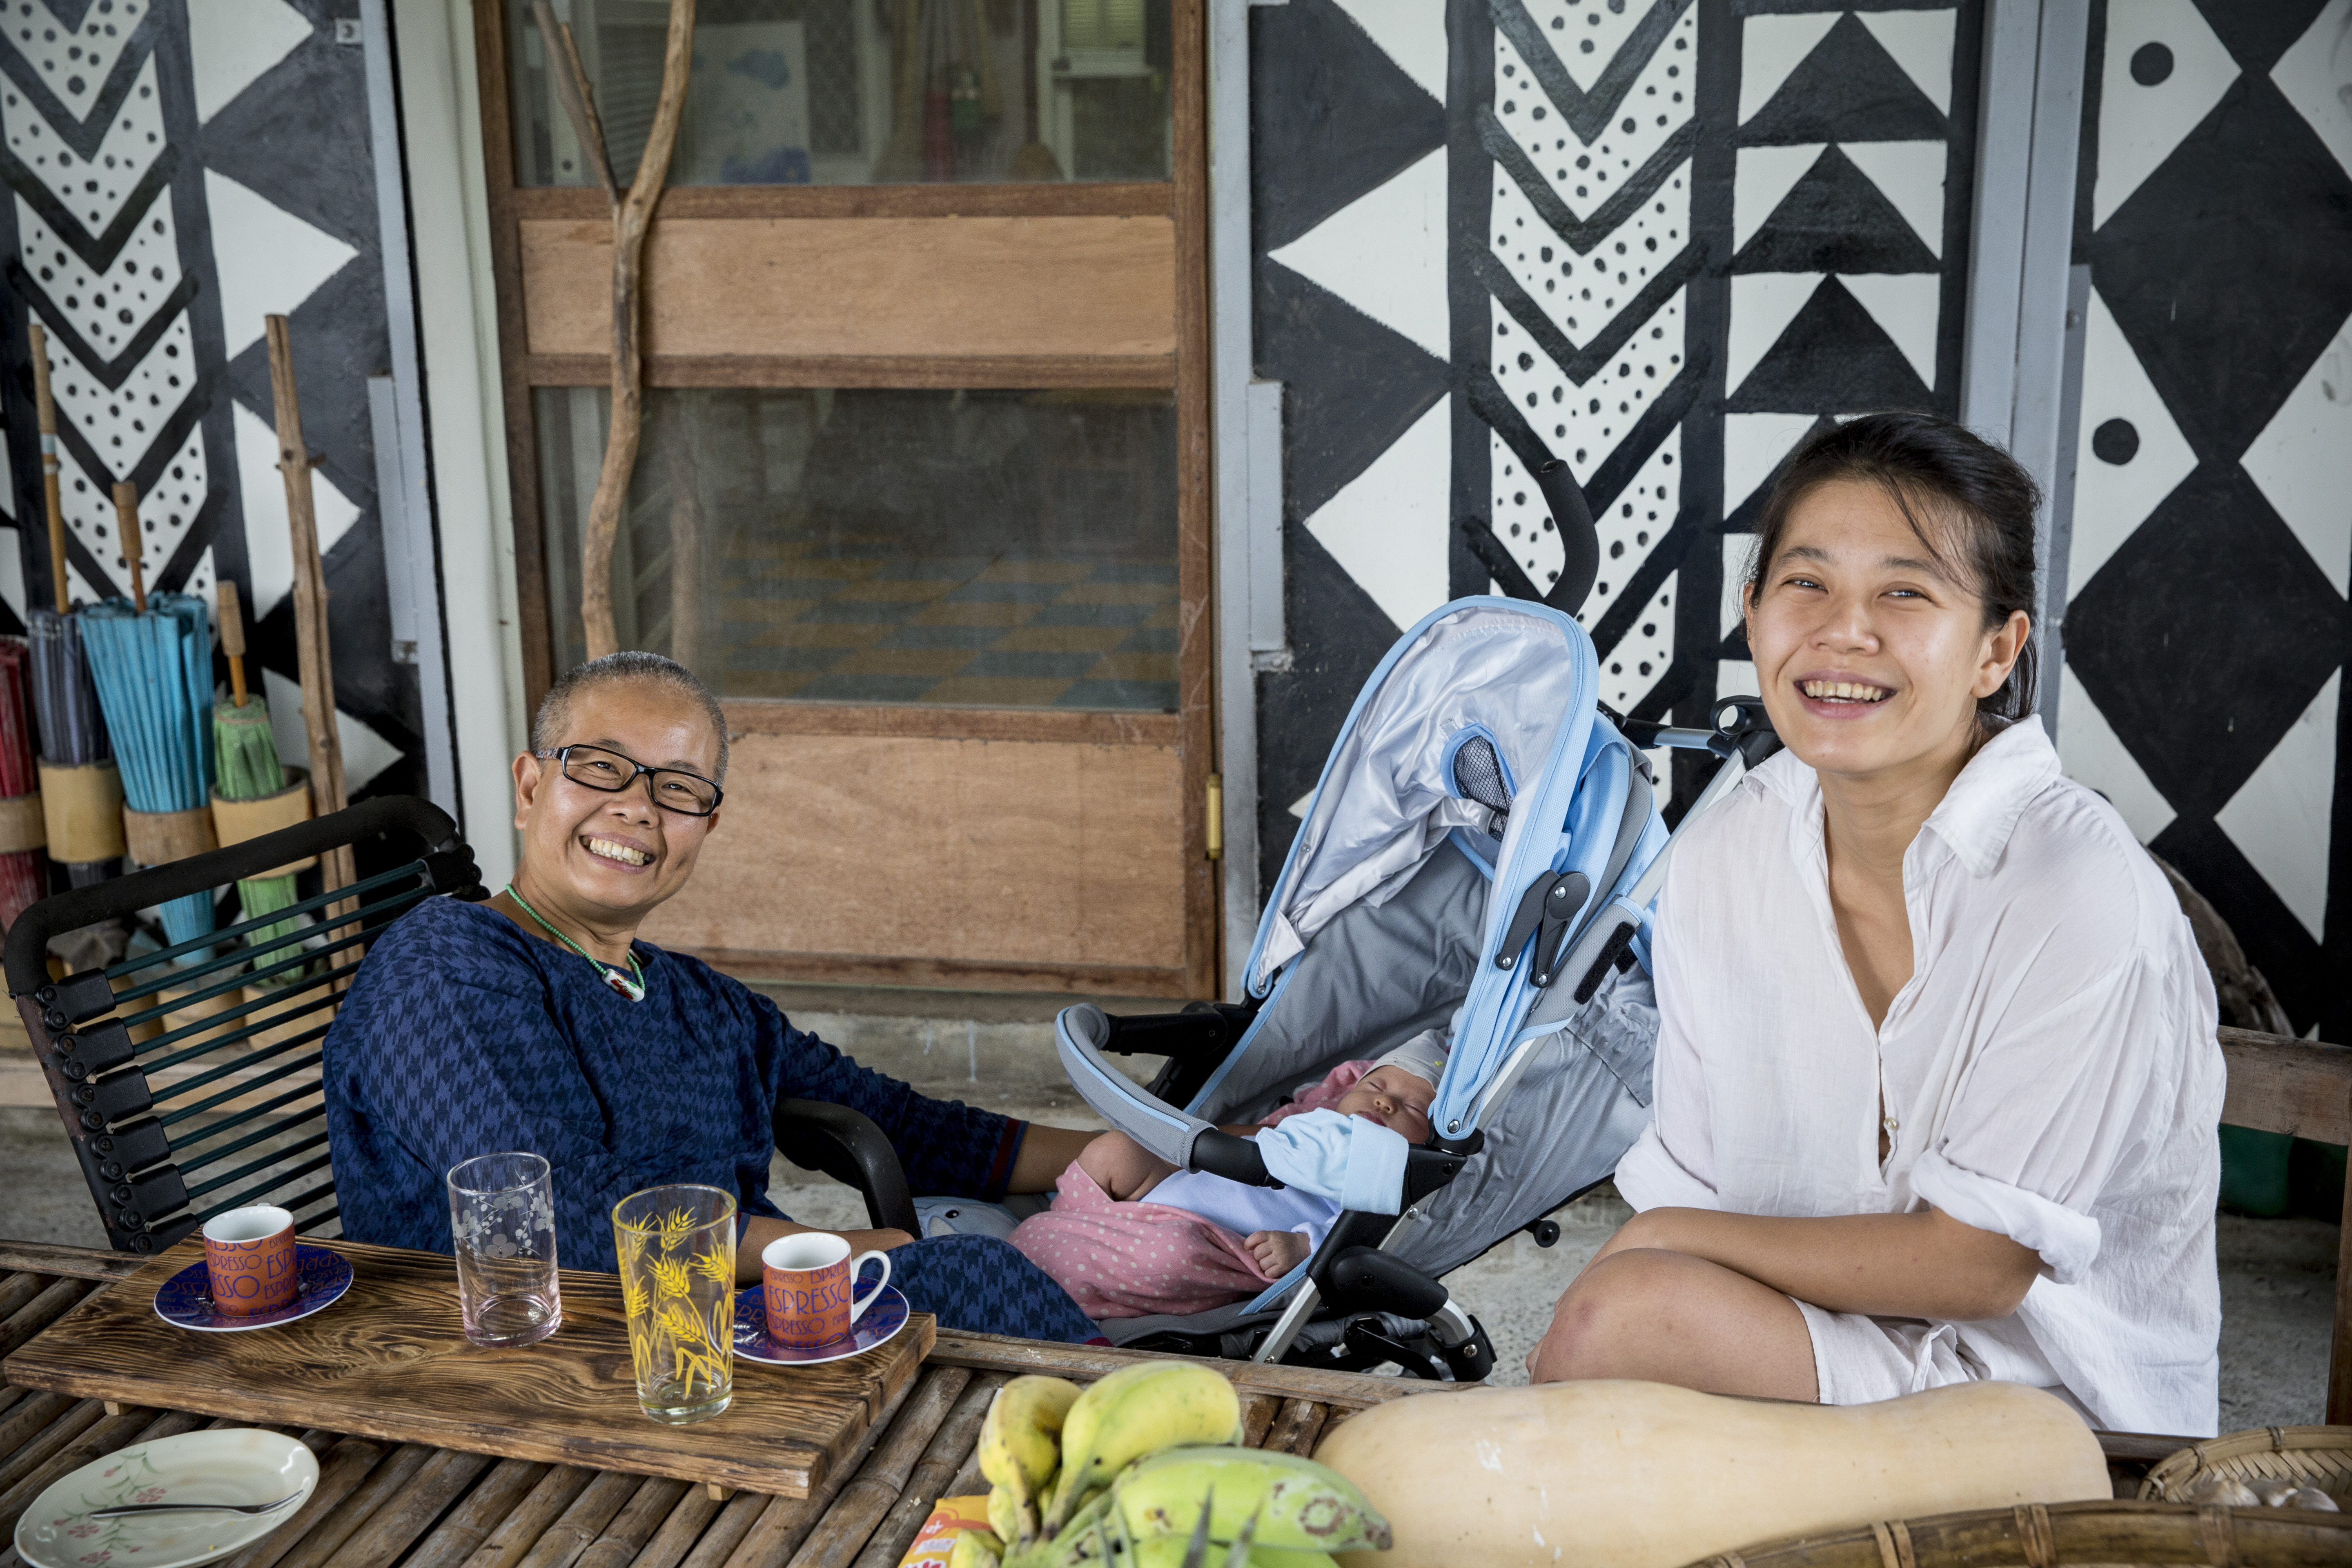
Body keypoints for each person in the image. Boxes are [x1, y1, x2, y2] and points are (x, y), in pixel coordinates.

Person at [1527, 412, 2223, 1437]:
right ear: (1753, 613)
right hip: (1816, 1347)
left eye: (1904, 592)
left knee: (1618, 1321)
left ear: (1995, 650)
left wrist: (1668, 1242)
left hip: (2059, 1411)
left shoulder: (2073, 883)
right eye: (1805, 583)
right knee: (1616, 1330)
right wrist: (1670, 1252)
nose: (1842, 632)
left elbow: (1979, 1266)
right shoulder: (1725, 853)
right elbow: (1697, 1195)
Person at [321, 651, 1105, 1342]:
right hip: (534, 1348)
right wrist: (825, 1249)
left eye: (678, 786)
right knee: (971, 1278)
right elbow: (554, 1215)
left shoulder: (701, 1002)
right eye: (601, 766)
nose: (638, 806)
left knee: (990, 1276)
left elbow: (906, 1125)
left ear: (707, 825)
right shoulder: (443, 967)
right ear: (530, 789)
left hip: (714, 1333)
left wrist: (1119, 1152)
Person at [1008, 1036, 1443, 1318]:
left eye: (1413, 1108)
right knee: (1115, 1150)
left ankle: (1071, 1269)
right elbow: (1244, 1142)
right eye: (1376, 1087)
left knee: (1173, 1253)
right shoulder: (1311, 1122)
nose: (1385, 1103)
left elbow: (1359, 1235)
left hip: (1218, 1241)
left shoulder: (1385, 1174)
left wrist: (1304, 1245)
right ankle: (1070, 1228)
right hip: (1169, 1191)